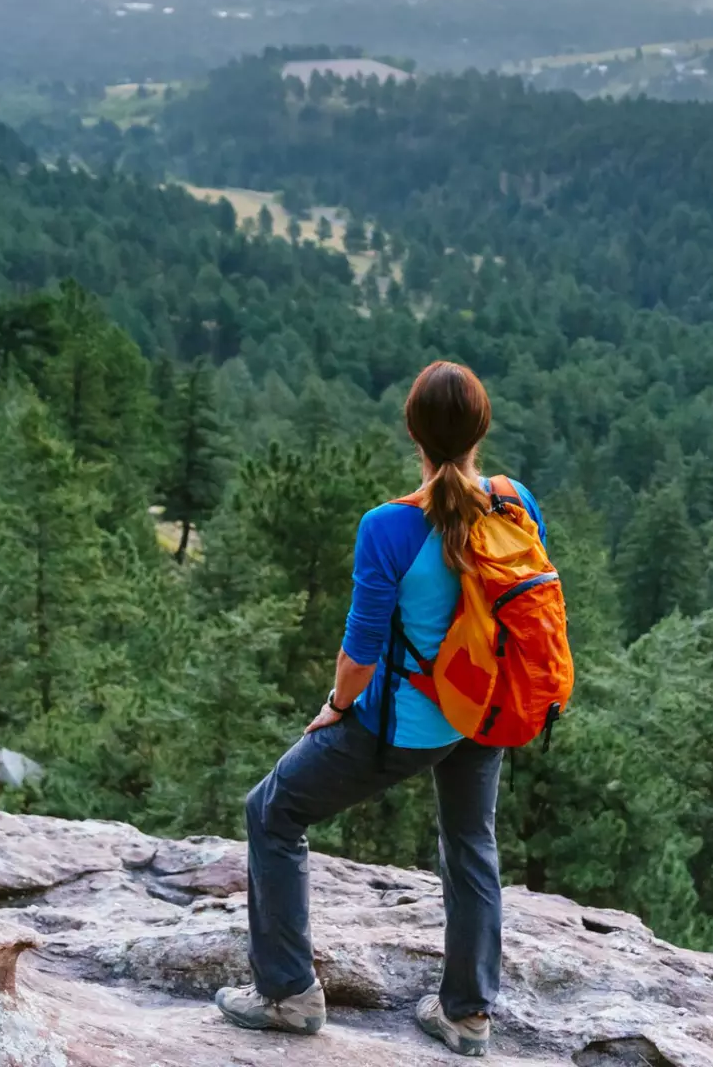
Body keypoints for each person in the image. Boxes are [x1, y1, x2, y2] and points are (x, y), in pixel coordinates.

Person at [214, 360, 545, 1059]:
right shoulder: (515, 502)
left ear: (412, 432)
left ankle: (288, 996)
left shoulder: (388, 527)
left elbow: (361, 650)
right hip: (482, 716)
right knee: (471, 848)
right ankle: (465, 1016)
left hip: (408, 726)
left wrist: (336, 706)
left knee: (272, 811)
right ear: (482, 429)